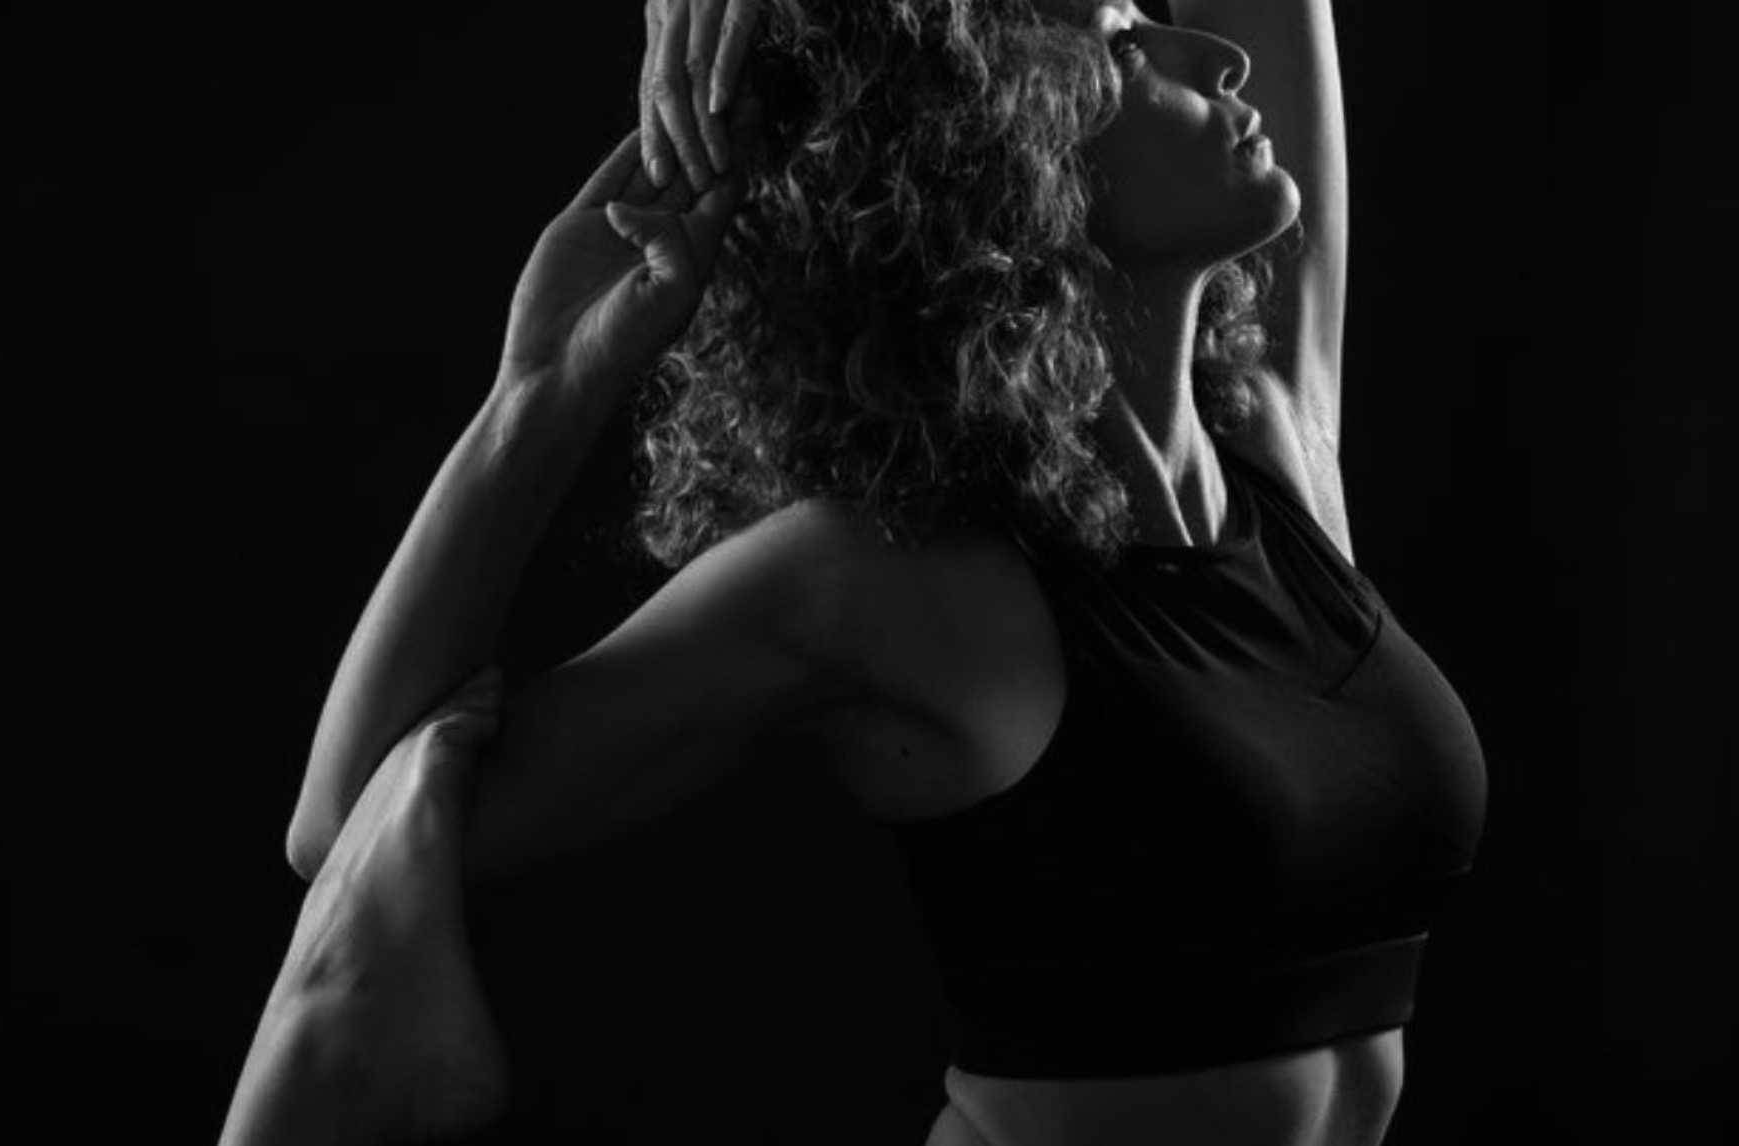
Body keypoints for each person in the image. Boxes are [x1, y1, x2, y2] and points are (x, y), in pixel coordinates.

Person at [219, 1, 1488, 1143]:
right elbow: (350, 826)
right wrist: (540, 389)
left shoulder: (1275, 447)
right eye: (1120, 45)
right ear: (998, 159)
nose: (1215, 54)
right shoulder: (890, 583)